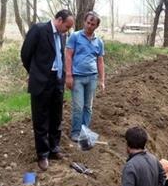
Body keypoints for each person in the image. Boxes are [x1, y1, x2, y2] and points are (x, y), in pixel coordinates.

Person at [21, 9, 74, 171]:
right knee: (41, 119)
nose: (68, 30)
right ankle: (42, 154)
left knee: (56, 118)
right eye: (66, 26)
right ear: (59, 20)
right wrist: (35, 73)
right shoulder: (39, 30)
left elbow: (60, 55)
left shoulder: (63, 35)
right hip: (42, 81)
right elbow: (25, 54)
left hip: (57, 81)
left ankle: (54, 149)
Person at [65, 11, 105, 142]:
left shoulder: (98, 42)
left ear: (96, 26)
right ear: (84, 22)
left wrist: (102, 80)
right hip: (77, 77)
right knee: (78, 106)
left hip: (92, 78)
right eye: (88, 22)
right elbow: (68, 56)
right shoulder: (75, 37)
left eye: (92, 24)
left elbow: (100, 61)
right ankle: (75, 132)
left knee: (88, 107)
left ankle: (84, 132)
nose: (89, 26)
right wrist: (68, 75)